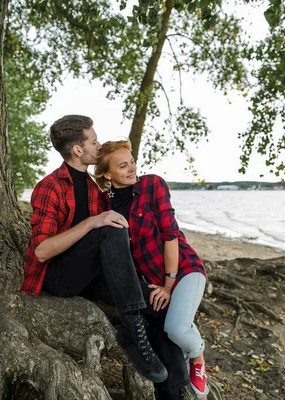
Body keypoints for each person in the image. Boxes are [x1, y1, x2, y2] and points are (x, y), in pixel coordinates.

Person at [21, 115, 187, 395]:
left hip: (91, 275)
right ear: (77, 150)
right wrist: (92, 222)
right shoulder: (51, 186)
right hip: (59, 278)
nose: (99, 146)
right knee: (107, 228)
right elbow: (41, 251)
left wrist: (162, 282)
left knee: (158, 304)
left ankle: (173, 390)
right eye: (94, 141)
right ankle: (132, 328)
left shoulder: (94, 190)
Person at [95, 140, 209, 399]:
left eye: (132, 161)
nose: (132, 168)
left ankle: (198, 356)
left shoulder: (151, 185)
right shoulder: (105, 206)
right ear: (107, 174)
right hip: (150, 281)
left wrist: (168, 285)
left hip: (183, 269)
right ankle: (172, 388)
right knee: (159, 322)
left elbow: (170, 236)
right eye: (123, 165)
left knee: (177, 329)